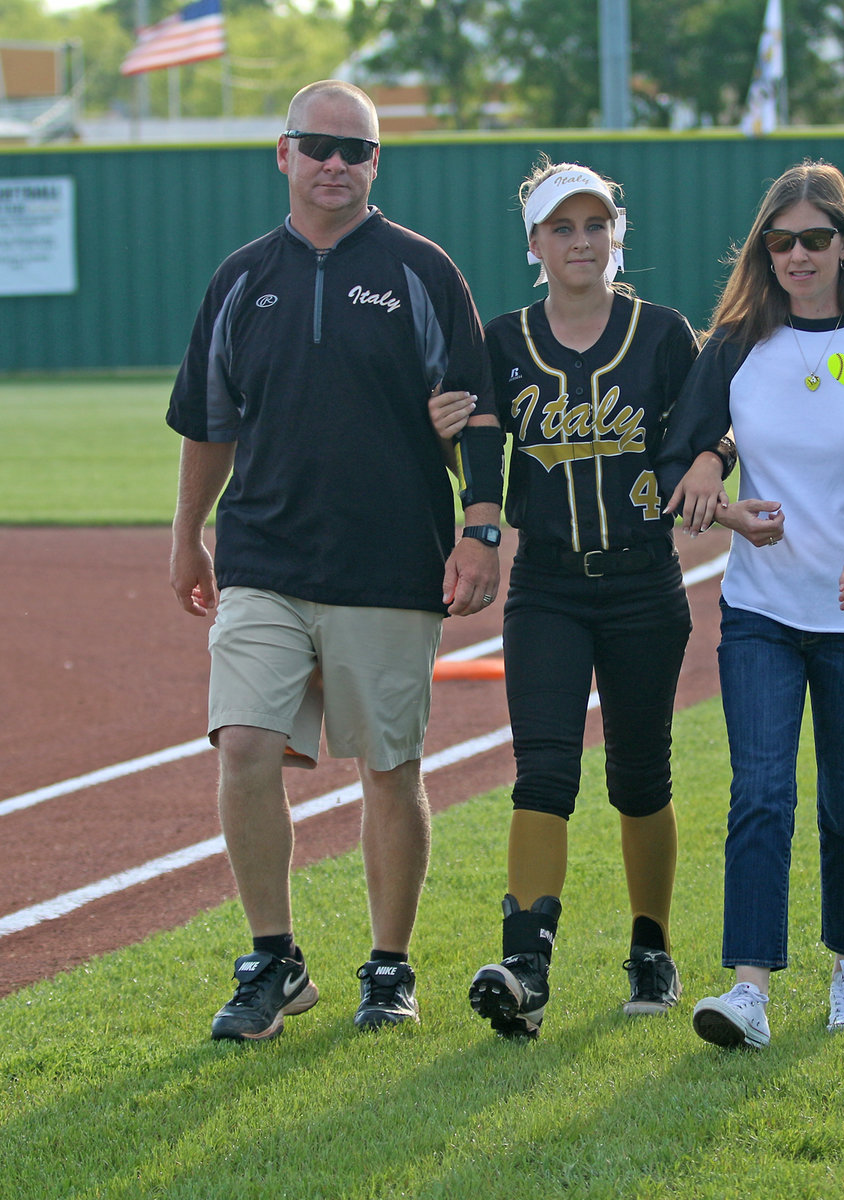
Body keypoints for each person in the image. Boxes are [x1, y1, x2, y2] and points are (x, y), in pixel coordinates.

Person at [167, 80, 503, 1042]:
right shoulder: (241, 278)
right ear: (282, 152)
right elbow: (209, 421)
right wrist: (188, 531)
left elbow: (473, 414)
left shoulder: (421, 271)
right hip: (264, 554)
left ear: (375, 165)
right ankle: (273, 960)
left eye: (356, 151)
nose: (335, 164)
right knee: (242, 745)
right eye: (318, 145)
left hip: (389, 559)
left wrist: (480, 529)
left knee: (390, 768)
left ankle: (388, 968)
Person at [429, 160, 725, 1038]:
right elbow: (481, 453)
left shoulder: (665, 333)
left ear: (615, 235)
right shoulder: (503, 341)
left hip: (642, 583)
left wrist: (715, 456)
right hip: (549, 585)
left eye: (595, 225)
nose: (581, 241)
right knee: (544, 774)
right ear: (535, 243)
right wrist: (458, 463)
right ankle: (526, 965)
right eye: (562, 227)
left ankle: (652, 947)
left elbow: (709, 427)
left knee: (639, 779)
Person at [657, 159, 844, 1049]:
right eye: (785, 242)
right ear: (764, 252)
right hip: (761, 614)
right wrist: (713, 478)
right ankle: (750, 992)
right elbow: (677, 459)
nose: (801, 255)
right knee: (760, 796)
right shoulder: (734, 345)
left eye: (818, 239)